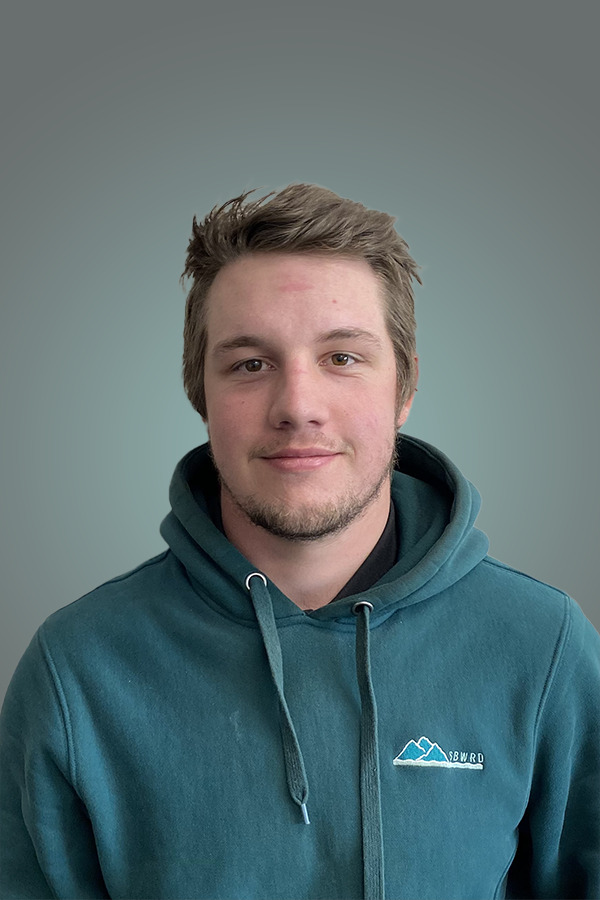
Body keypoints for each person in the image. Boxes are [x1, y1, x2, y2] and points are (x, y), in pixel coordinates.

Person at [1, 184, 598, 900]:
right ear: (199, 394)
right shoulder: (77, 668)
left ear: (405, 387)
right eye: (250, 364)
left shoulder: (541, 644)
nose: (298, 407)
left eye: (342, 358)